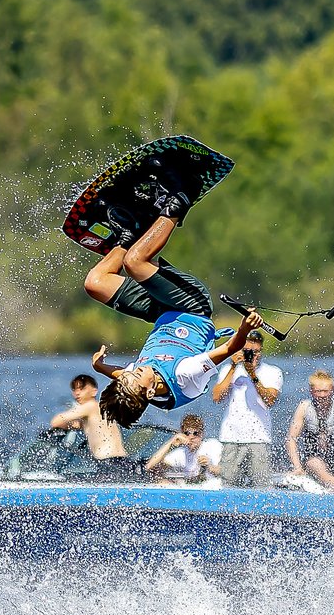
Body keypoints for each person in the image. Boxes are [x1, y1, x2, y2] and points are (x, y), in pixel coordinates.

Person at [80, 195, 265, 427]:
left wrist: (100, 367)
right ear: (149, 393)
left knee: (95, 284)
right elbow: (230, 348)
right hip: (192, 306)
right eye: (136, 374)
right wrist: (245, 328)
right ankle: (178, 202)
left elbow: (121, 375)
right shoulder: (185, 374)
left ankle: (129, 234)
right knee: (135, 263)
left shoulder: (138, 384)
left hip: (161, 312)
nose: (134, 369)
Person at [212, 330, 282, 489]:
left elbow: (270, 400)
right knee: (229, 486)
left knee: (261, 487)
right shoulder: (228, 370)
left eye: (257, 352)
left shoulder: (272, 371)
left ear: (261, 351)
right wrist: (232, 367)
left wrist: (252, 374)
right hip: (231, 437)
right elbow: (216, 397)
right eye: (249, 352)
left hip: (259, 438)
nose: (253, 356)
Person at [286, 370, 334, 493]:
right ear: (311, 391)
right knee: (314, 463)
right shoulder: (304, 407)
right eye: (318, 391)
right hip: (315, 459)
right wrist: (298, 467)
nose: (322, 395)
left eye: (325, 391)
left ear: (332, 390)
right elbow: (291, 439)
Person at [46, 373, 136, 477]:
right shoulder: (101, 409)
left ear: (94, 391)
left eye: (82, 389)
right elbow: (85, 426)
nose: (77, 393)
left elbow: (56, 421)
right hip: (121, 463)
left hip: (109, 464)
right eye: (75, 389)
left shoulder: (90, 406)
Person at [145, 413, 217, 484]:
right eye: (187, 433)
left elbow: (224, 471)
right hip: (194, 490)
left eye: (195, 433)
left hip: (213, 489)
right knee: (162, 482)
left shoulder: (212, 445)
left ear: (202, 434)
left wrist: (209, 465)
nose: (191, 437)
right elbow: (149, 466)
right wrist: (171, 442)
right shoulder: (181, 452)